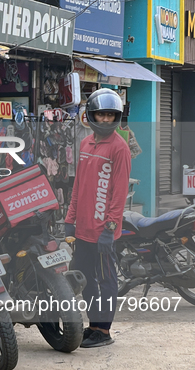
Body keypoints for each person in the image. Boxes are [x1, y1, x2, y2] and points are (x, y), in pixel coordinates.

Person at [64, 88, 131, 348]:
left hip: (103, 230)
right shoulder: (85, 144)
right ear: (91, 115)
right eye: (101, 115)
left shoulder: (120, 148)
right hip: (83, 229)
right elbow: (79, 184)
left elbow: (119, 192)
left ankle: (104, 331)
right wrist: (70, 218)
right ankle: (93, 325)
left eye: (110, 115)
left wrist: (110, 228)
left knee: (105, 280)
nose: (105, 120)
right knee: (83, 277)